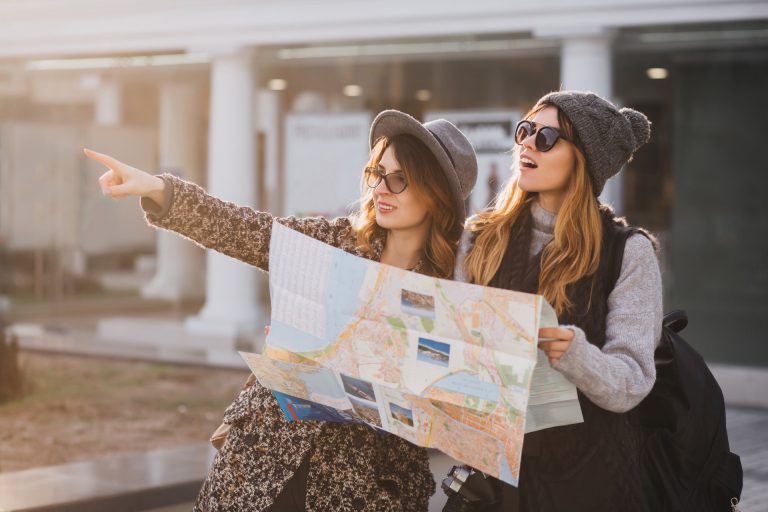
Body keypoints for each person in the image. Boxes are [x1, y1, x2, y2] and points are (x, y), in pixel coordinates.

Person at [85, 109, 478, 512]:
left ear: (436, 196)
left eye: (399, 179)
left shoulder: (452, 292)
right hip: (264, 460)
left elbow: (454, 407)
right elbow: (248, 231)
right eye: (376, 172)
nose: (380, 188)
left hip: (363, 488)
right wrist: (157, 189)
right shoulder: (336, 242)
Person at [459, 91, 662, 511]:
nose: (527, 144)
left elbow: (632, 380)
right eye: (525, 130)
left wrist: (575, 353)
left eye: (547, 137)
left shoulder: (627, 252)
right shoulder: (481, 237)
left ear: (583, 159)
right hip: (497, 478)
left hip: (590, 482)